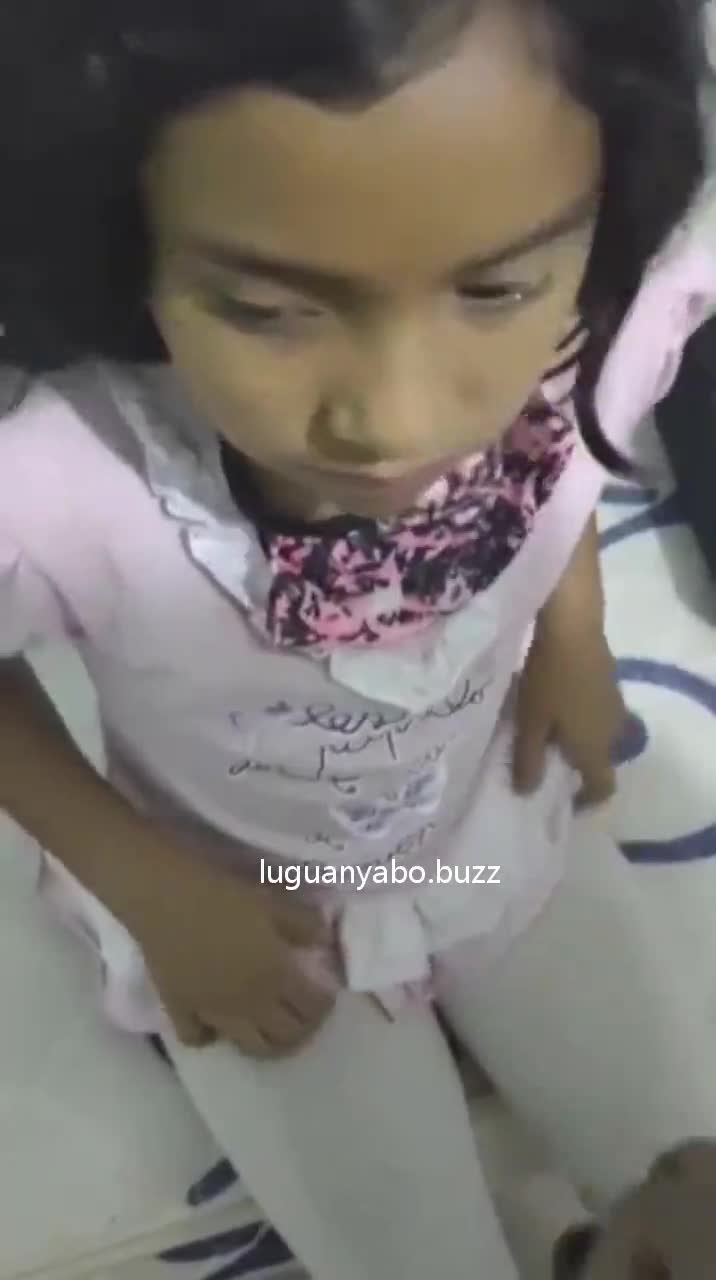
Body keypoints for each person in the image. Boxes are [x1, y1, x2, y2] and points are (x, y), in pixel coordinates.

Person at [1, 3, 716, 1276]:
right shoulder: (65, 481)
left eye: (493, 289)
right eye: (266, 308)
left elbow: (564, 465)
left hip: (490, 832)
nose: (392, 420)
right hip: (246, 905)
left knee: (688, 1169)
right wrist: (147, 887)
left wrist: (573, 626)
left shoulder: (588, 341)